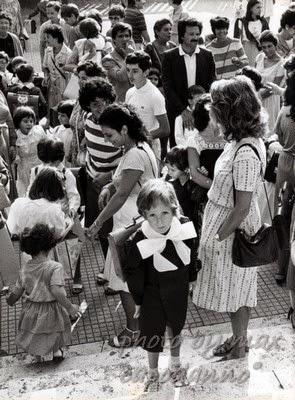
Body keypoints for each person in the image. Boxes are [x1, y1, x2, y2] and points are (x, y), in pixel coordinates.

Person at [192, 76, 267, 360]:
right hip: (227, 226)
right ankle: (239, 341)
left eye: (215, 105)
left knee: (235, 290)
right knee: (237, 290)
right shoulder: (240, 141)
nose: (210, 109)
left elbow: (242, 207)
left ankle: (239, 343)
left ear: (229, 111)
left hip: (231, 231)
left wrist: (217, 236)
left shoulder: (246, 151)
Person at [87, 104, 158, 348]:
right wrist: (109, 186)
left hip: (129, 224)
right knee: (133, 279)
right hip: (134, 220)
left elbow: (123, 193)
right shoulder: (138, 148)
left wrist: (96, 224)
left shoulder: (135, 154)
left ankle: (133, 331)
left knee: (124, 282)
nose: (108, 141)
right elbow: (123, 182)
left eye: (110, 135)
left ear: (125, 129)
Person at [124, 179, 197, 391]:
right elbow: (133, 272)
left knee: (176, 328)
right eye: (152, 215)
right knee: (152, 334)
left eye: (165, 213)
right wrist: (137, 300)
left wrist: (192, 279)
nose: (160, 221)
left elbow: (191, 255)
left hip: (177, 290)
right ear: (144, 215)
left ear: (173, 210)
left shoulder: (183, 227)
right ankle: (153, 372)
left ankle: (175, 365)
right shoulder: (140, 238)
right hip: (151, 294)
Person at [6, 224, 81, 361]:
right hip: (52, 308)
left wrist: (10, 300)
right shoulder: (55, 267)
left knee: (36, 332)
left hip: (31, 309)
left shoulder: (25, 268)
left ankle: (37, 356)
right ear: (49, 246)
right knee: (55, 330)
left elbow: (17, 291)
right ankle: (56, 352)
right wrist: (70, 308)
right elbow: (57, 291)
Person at [162, 18, 216, 147]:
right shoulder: (169, 56)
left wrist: (202, 108)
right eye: (191, 34)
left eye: (197, 34)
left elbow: (212, 84)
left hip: (202, 111)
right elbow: (167, 87)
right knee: (178, 149)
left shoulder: (207, 55)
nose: (195, 37)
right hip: (176, 112)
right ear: (182, 35)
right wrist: (183, 111)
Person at [125, 51, 170, 163]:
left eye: (135, 71)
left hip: (150, 149)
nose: (130, 75)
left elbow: (165, 129)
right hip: (131, 148)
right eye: (128, 70)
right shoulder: (130, 92)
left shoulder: (155, 96)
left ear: (146, 72)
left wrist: (141, 137)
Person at [273, 73, 295, 286]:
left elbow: (278, 136)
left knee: (282, 216)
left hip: (286, 164)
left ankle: (281, 268)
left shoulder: (285, 111)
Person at [7, 168, 68, 238]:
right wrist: (62, 215)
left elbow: (10, 228)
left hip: (19, 246)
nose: (64, 189)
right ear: (56, 189)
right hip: (46, 247)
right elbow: (59, 234)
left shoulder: (17, 203)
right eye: (62, 187)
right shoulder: (54, 209)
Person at [69, 61, 107, 167]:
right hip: (77, 155)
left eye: (84, 78)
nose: (80, 82)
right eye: (79, 78)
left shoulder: (99, 104)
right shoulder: (80, 99)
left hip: (93, 158)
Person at [13, 106, 47, 197]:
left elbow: (46, 143)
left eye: (31, 121)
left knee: (40, 186)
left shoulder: (38, 131)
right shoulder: (16, 135)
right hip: (24, 166)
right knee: (25, 187)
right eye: (25, 121)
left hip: (38, 162)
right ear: (18, 122)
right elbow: (14, 149)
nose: (29, 124)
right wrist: (16, 155)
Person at [255, 30, 285, 133]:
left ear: (275, 45)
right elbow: (254, 79)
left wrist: (257, 98)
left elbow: (273, 88)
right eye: (263, 47)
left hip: (271, 101)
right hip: (257, 99)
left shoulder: (281, 63)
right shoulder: (259, 57)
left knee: (268, 130)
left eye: (269, 46)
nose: (267, 50)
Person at [43, 24, 71, 116]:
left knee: (63, 108)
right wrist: (46, 76)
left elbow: (70, 74)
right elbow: (45, 66)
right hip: (51, 85)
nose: (46, 39)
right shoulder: (48, 51)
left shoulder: (68, 53)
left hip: (64, 85)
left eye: (48, 37)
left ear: (56, 38)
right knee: (51, 107)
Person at [102, 22, 134, 102]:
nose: (124, 39)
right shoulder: (108, 59)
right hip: (121, 101)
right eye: (120, 36)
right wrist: (128, 57)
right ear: (114, 40)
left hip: (137, 98)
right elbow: (122, 77)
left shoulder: (136, 54)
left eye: (127, 36)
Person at [234, 0, 269, 66]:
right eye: (258, 7)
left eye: (261, 7)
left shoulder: (263, 21)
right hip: (246, 50)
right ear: (251, 8)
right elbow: (235, 39)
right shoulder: (241, 21)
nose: (260, 10)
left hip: (260, 50)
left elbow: (268, 37)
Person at [50, 99, 75, 165]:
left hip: (71, 164)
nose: (59, 118)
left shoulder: (75, 132)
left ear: (71, 116)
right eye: (59, 114)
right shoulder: (56, 129)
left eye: (63, 116)